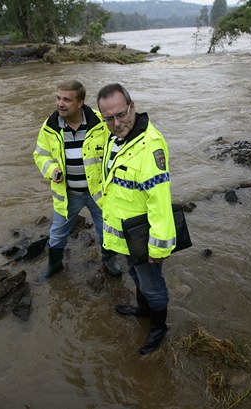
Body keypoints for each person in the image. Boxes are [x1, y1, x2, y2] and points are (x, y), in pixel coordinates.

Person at [96, 83, 176, 355]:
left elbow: (160, 200)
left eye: (121, 115)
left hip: (144, 235)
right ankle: (142, 311)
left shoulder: (150, 145)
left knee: (152, 285)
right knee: (134, 272)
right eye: (108, 118)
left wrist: (159, 247)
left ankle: (159, 328)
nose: (116, 123)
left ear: (133, 106)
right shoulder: (115, 137)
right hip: (125, 231)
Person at [33, 80, 121, 281]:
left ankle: (109, 260)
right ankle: (54, 265)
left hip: (98, 192)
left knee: (106, 230)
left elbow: (118, 148)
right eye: (58, 98)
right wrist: (52, 170)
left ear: (80, 102)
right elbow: (40, 155)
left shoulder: (101, 123)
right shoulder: (50, 127)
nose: (60, 104)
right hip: (68, 193)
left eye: (66, 99)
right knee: (57, 233)